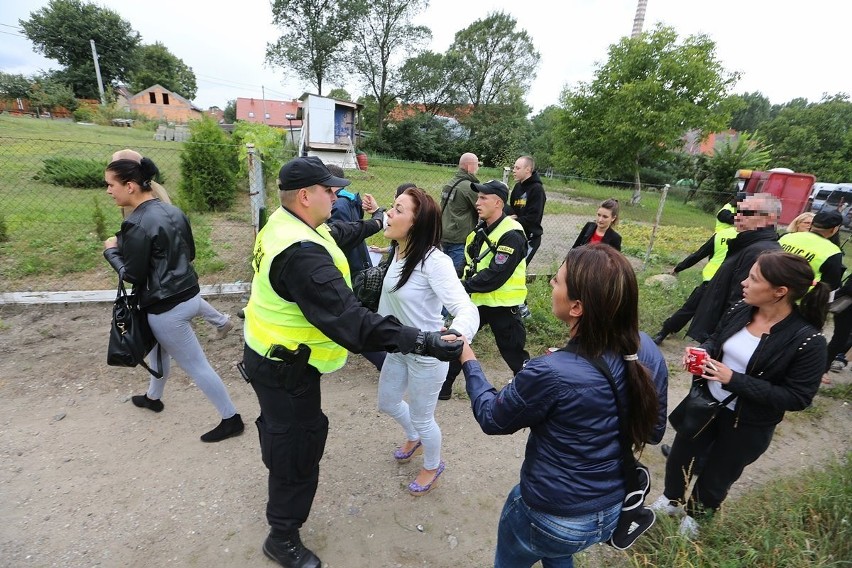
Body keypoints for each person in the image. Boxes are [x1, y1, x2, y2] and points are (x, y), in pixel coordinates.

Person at [241, 156, 463, 568]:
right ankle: (282, 537)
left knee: (287, 436)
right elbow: (354, 323)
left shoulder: (287, 223)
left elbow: (339, 231)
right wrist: (424, 341)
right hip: (284, 366)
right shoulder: (303, 255)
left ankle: (284, 487)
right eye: (330, 190)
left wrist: (376, 222)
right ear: (306, 196)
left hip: (272, 354)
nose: (337, 194)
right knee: (297, 447)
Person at [459, 244, 668, 567]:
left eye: (556, 281)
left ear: (577, 307)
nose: (550, 285)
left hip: (550, 516)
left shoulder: (552, 372)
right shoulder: (647, 350)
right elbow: (653, 433)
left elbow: (492, 418)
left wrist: (468, 360)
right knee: (558, 552)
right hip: (609, 510)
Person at [653, 251, 828, 538]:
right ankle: (671, 500)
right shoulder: (741, 309)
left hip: (746, 424)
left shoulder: (808, 341)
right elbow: (715, 338)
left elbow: (797, 398)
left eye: (754, 278)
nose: (744, 282)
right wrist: (702, 353)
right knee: (679, 457)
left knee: (717, 475)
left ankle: (696, 519)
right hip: (705, 404)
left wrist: (733, 380)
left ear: (779, 292)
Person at [102, 152, 244, 443]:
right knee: (158, 351)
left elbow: (134, 275)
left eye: (111, 185)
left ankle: (232, 419)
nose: (108, 191)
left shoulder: (136, 224)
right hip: (189, 295)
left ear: (130, 186)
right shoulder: (174, 211)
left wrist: (111, 252)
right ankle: (153, 397)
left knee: (197, 366)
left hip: (167, 309)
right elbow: (188, 254)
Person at [376, 187, 479, 495]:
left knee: (424, 418)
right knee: (388, 401)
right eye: (391, 207)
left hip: (426, 354)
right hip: (399, 347)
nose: (389, 214)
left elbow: (465, 307)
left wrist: (456, 335)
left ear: (416, 223)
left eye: (397, 209)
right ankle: (414, 436)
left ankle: (432, 465)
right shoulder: (398, 250)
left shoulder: (435, 262)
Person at [113, 149, 233, 340]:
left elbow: (147, 244)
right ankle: (219, 321)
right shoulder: (152, 190)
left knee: (177, 298)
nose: (109, 189)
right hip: (174, 275)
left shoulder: (140, 200)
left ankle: (212, 321)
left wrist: (116, 250)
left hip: (165, 286)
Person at [439, 180, 529, 401]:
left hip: (502, 305)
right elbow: (470, 265)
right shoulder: (480, 231)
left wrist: (461, 287)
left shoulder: (512, 234)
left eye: (483, 198)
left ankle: (529, 390)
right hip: (477, 302)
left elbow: (496, 275)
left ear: (498, 203)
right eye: (477, 198)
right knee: (457, 339)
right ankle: (443, 387)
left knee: (514, 352)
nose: (477, 203)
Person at [687, 194, 782, 343]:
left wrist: (715, 340)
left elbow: (741, 301)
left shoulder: (760, 252)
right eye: (738, 211)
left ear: (769, 218)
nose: (738, 216)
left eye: (746, 213)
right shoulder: (746, 244)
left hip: (724, 338)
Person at [326, 163, 386, 371]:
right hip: (355, 264)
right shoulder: (350, 200)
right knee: (357, 319)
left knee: (352, 323)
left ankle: (385, 360)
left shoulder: (338, 206)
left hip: (349, 267)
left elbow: (345, 237)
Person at [653, 225, 738, 345]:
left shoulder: (722, 234)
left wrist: (679, 267)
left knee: (689, 309)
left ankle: (663, 333)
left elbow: (699, 254)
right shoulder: (753, 240)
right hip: (730, 285)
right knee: (722, 316)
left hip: (711, 279)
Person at [779, 210, 845, 290]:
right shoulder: (833, 251)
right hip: (801, 297)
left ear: (812, 224)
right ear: (834, 229)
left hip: (771, 290)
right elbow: (831, 284)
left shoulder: (786, 237)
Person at [440, 153, 481, 273]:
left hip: (444, 233)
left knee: (443, 273)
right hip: (459, 238)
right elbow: (484, 208)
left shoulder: (449, 183)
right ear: (469, 167)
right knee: (456, 276)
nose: (478, 168)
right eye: (477, 164)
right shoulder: (469, 187)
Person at [506, 155, 546, 264]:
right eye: (514, 168)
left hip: (530, 238)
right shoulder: (517, 187)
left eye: (517, 168)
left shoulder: (537, 189)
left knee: (519, 267)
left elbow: (533, 217)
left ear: (528, 170)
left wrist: (512, 221)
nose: (513, 171)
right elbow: (513, 211)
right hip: (516, 235)